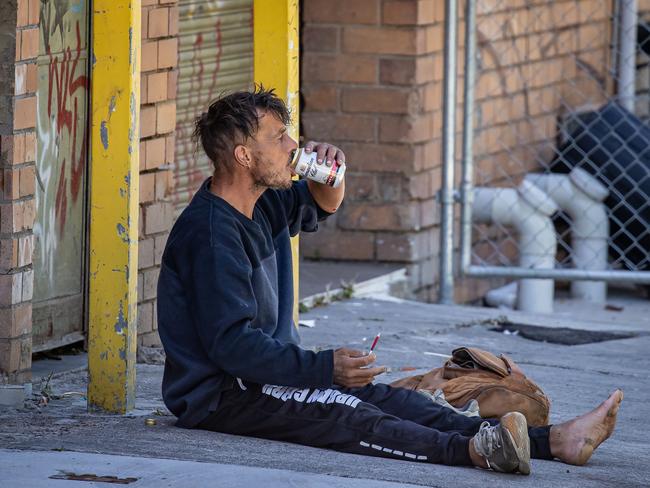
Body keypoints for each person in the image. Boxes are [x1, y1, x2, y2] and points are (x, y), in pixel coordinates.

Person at [157, 86, 623, 475]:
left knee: (392, 401)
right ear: (243, 155)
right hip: (224, 395)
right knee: (347, 412)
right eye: (278, 138)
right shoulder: (212, 236)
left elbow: (319, 204)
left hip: (266, 378)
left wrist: (333, 174)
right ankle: (477, 452)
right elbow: (232, 348)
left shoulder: (259, 200)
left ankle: (554, 441)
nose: (292, 147)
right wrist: (322, 369)